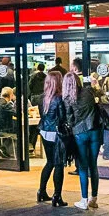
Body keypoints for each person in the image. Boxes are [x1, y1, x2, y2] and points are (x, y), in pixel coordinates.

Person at [64, 72, 101, 210]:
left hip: (80, 133)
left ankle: (84, 200)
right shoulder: (88, 92)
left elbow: (69, 119)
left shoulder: (68, 98)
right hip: (95, 131)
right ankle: (94, 199)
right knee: (93, 165)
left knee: (83, 167)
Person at [37, 72, 68, 207]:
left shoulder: (41, 98)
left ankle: (41, 191)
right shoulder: (59, 98)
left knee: (49, 162)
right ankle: (57, 196)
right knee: (59, 164)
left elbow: (41, 114)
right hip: (56, 133)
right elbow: (62, 118)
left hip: (44, 131)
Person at [0, 87, 18, 160]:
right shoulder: (6, 105)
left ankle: (2, 149)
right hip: (4, 130)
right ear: (10, 95)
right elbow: (16, 114)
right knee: (19, 132)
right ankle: (3, 148)